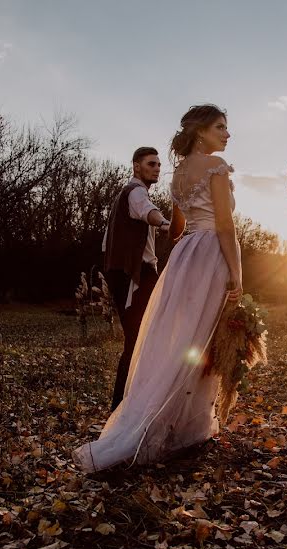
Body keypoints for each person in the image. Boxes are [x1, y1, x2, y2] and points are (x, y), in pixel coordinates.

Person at [74, 105, 243, 472]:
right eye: (221, 127)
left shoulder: (179, 174)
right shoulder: (217, 169)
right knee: (202, 337)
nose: (227, 134)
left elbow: (177, 226)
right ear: (201, 132)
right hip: (211, 251)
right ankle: (180, 424)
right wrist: (237, 272)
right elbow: (226, 226)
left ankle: (175, 421)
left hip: (185, 255)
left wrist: (183, 253)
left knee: (181, 337)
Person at [102, 147, 171, 410]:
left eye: (158, 164)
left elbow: (107, 242)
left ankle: (128, 402)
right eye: (151, 163)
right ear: (136, 167)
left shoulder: (124, 195)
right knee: (139, 338)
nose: (156, 168)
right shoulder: (136, 192)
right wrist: (165, 223)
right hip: (136, 275)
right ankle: (123, 406)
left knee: (141, 338)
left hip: (128, 272)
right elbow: (148, 212)